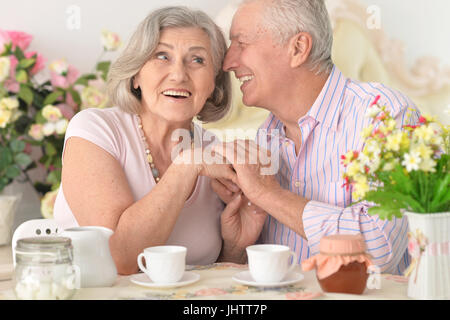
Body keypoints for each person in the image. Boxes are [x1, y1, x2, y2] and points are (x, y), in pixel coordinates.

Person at [213, 0, 421, 274]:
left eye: (241, 43)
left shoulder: (384, 115)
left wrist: (268, 194)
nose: (228, 62)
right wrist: (238, 248)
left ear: (298, 48)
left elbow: (378, 248)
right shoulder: (265, 137)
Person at [53, 6, 262, 275]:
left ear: (213, 84)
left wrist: (235, 246)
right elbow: (120, 260)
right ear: (136, 74)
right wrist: (187, 165)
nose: (178, 74)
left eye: (197, 60)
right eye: (162, 56)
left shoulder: (215, 154)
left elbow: (204, 275)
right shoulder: (96, 130)